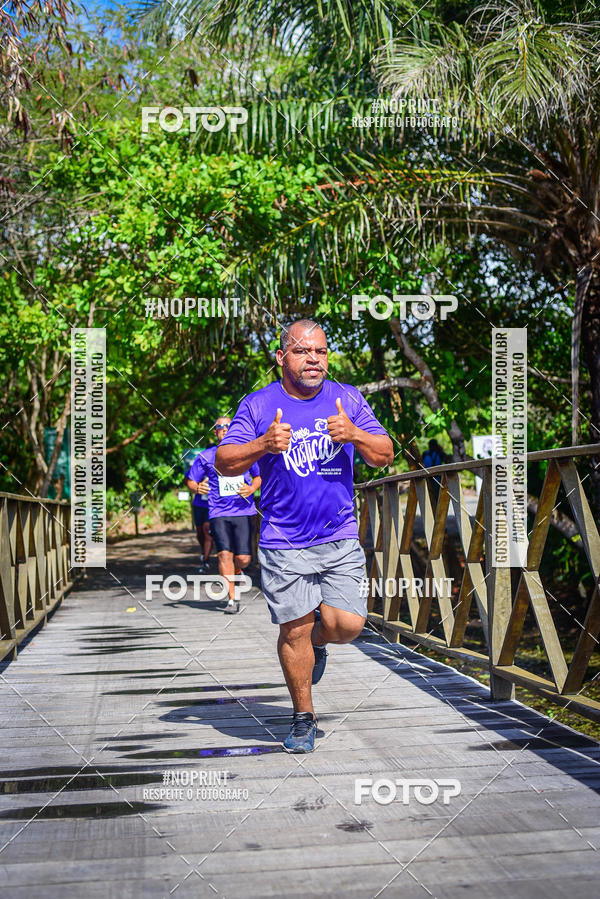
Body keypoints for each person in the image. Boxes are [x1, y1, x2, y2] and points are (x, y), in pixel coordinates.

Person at [216, 320, 394, 752]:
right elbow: (224, 461)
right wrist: (263, 445)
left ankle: (319, 642)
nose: (314, 359)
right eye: (302, 351)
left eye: (321, 351)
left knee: (348, 624)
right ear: (282, 358)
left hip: (339, 533)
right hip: (283, 539)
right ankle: (303, 717)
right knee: (292, 632)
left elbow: (384, 455)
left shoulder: (347, 397)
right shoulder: (259, 405)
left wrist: (353, 433)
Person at [185, 417, 261, 614]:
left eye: (229, 426)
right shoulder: (206, 456)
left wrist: (252, 488)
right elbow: (191, 480)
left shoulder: (245, 453)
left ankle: (236, 571)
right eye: (220, 426)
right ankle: (232, 598)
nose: (225, 429)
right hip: (218, 512)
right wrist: (197, 487)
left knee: (244, 559)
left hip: (243, 511)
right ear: (215, 432)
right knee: (224, 554)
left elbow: (258, 476)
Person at [186, 452, 212, 571]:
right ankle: (204, 551)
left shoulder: (219, 466)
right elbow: (187, 480)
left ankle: (206, 560)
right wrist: (197, 486)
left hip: (211, 505)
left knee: (207, 530)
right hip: (198, 504)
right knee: (200, 533)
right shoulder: (199, 467)